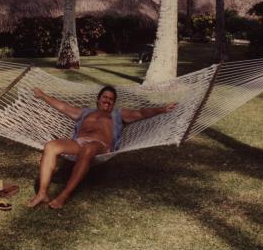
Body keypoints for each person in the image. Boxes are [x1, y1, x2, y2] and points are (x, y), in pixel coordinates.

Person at [28, 85, 177, 209]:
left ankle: (63, 196)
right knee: (51, 146)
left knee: (88, 149)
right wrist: (42, 95)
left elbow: (140, 113)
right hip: (79, 143)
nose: (108, 100)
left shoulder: (118, 114)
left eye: (111, 99)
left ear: (113, 103)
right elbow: (62, 106)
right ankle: (42, 193)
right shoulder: (85, 112)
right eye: (105, 97)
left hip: (100, 146)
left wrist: (162, 109)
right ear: (98, 100)